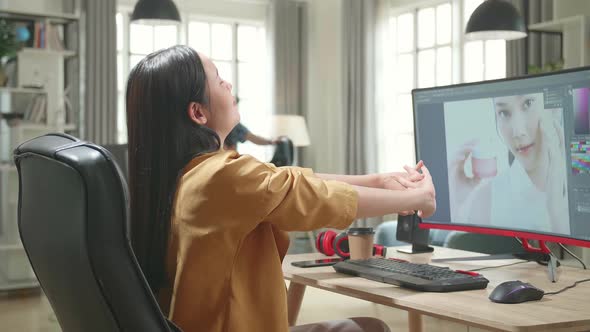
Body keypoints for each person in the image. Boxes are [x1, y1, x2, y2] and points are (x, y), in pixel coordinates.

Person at [126, 45, 436, 332]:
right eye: (218, 79)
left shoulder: (186, 177)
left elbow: (289, 180)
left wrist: (378, 181)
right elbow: (312, 196)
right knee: (369, 329)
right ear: (197, 113)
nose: (228, 84)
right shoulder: (221, 176)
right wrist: (416, 197)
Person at [448, 93, 569, 234]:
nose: (517, 132)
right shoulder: (487, 200)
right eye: (504, 113)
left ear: (555, 109)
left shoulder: (581, 184)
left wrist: (557, 211)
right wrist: (459, 208)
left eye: (528, 103)